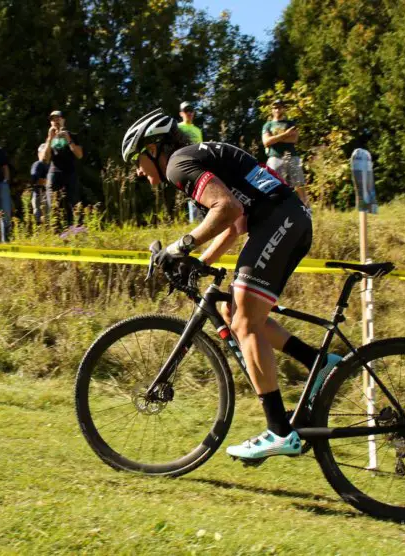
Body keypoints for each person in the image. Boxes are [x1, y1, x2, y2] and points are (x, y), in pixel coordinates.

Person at [122, 108, 342, 461]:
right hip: (287, 219)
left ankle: (279, 431)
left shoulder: (178, 163)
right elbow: (235, 221)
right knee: (233, 310)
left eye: (137, 160)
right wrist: (201, 261)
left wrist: (182, 246)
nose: (137, 170)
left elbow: (225, 207)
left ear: (152, 148)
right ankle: (317, 361)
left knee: (245, 322)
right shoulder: (193, 156)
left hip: (279, 221)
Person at [39, 110, 83, 227]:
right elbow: (44, 159)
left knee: (72, 203)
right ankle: (55, 230)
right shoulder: (49, 139)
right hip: (54, 173)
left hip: (70, 173)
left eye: (58, 118)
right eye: (53, 119)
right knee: (53, 204)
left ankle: (75, 229)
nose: (56, 121)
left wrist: (68, 138)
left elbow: (79, 154)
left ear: (63, 120)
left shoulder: (73, 135)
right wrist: (49, 139)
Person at [262, 99, 308, 204]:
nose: (277, 109)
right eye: (275, 107)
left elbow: (294, 139)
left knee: (299, 185)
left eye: (279, 107)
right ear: (272, 110)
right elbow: (266, 141)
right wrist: (286, 134)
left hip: (292, 157)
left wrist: (275, 139)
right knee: (274, 186)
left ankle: (307, 211)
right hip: (274, 158)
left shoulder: (291, 123)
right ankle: (277, 212)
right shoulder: (268, 125)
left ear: (284, 109)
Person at [178, 101, 205, 223]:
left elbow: (200, 146)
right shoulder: (178, 127)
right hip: (184, 161)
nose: (189, 113)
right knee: (189, 189)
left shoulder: (197, 130)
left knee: (200, 188)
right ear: (181, 113)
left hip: (197, 162)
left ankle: (200, 220)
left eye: (191, 110)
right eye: (186, 111)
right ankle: (193, 221)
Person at [30, 145, 50, 225]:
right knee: (39, 220)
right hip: (39, 194)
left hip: (46, 195)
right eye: (45, 152)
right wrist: (48, 182)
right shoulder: (37, 164)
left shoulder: (49, 165)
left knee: (47, 219)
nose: (47, 154)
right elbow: (34, 179)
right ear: (39, 153)